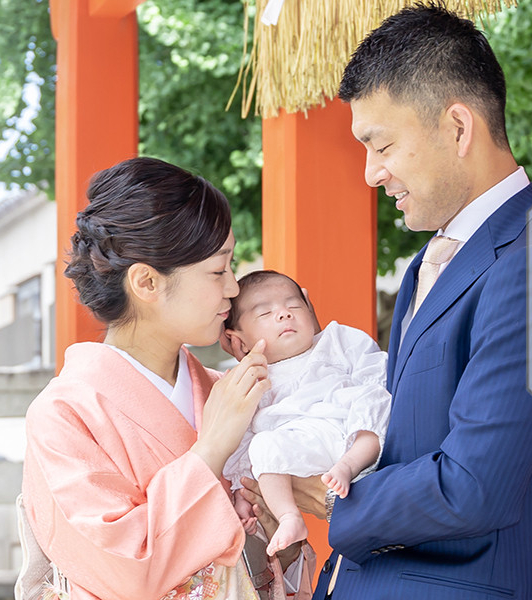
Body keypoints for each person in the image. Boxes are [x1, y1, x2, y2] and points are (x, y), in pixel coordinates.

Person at [233, 5, 532, 599]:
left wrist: (330, 496)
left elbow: (475, 484)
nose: (369, 173)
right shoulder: (430, 263)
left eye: (380, 145)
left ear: (458, 128)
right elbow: (404, 437)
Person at [19, 157, 315, 600]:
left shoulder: (225, 392)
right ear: (147, 282)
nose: (234, 288)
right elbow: (123, 570)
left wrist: (282, 550)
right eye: (218, 270)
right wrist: (211, 450)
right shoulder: (63, 415)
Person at [216, 270, 390, 555]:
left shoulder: (338, 339)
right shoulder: (253, 377)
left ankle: (350, 465)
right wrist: (240, 490)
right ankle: (289, 517)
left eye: (293, 305)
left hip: (352, 430)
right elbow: (242, 437)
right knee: (262, 444)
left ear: (309, 307)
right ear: (240, 340)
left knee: (373, 397)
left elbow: (374, 371)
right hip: (301, 447)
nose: (284, 314)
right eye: (265, 313)